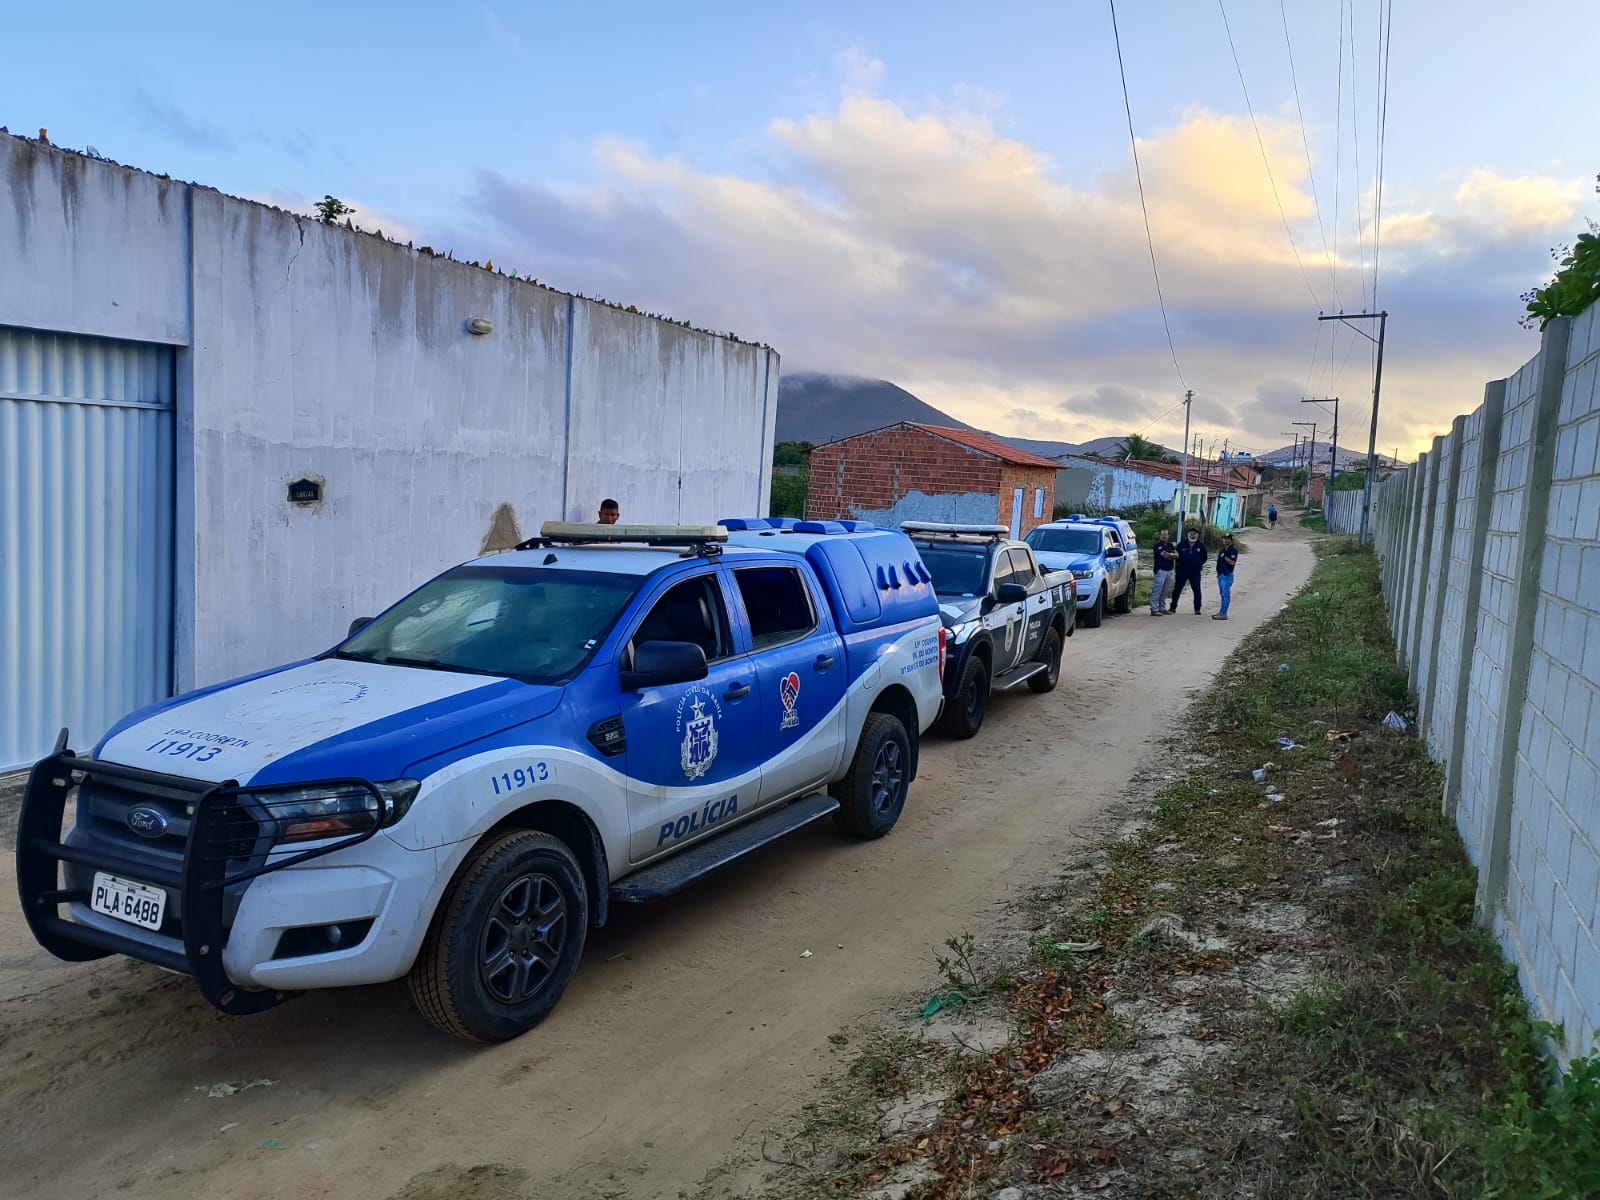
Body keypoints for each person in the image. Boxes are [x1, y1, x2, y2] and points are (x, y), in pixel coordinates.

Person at [1169, 527, 1208, 614]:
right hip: (1182, 571)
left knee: (1197, 590)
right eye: (1191, 533)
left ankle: (1197, 609)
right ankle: (1172, 607)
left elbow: (1204, 557)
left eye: (1194, 534)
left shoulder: (1201, 546)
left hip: (1195, 572)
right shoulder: (1181, 545)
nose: (1192, 535)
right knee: (1177, 590)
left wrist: (1198, 563)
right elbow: (1176, 556)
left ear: (1197, 535)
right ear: (1188, 535)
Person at [1149, 527, 1178, 615]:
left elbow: (1177, 555)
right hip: (1160, 570)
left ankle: (1162, 608)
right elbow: (1164, 555)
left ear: (1168, 536)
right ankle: (1154, 608)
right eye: (1163, 534)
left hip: (1169, 570)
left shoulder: (1170, 545)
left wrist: (1171, 555)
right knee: (1157, 590)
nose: (1164, 536)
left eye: (1166, 534)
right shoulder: (1157, 545)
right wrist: (1171, 555)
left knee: (1165, 591)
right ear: (1160, 536)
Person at [1212, 532, 1238, 620]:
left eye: (1227, 539)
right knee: (1222, 594)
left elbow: (1232, 562)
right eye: (1224, 538)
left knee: (1225, 594)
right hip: (1220, 574)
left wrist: (1225, 557)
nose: (1225, 540)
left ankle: (1223, 613)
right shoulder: (1222, 550)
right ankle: (1221, 612)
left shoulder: (1232, 551)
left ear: (1231, 540)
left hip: (1227, 574)